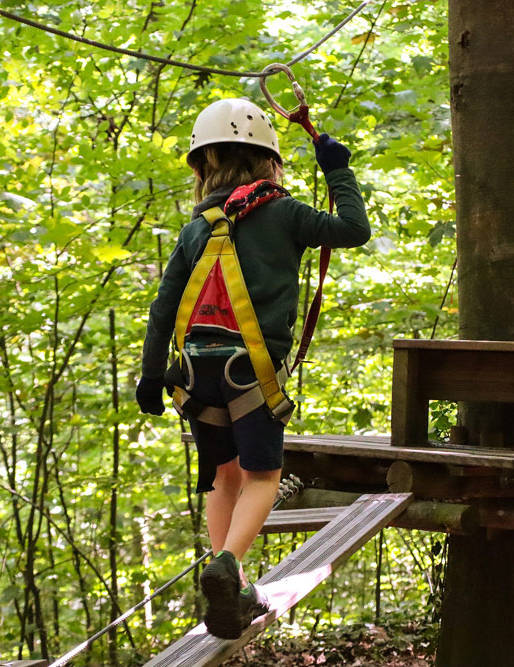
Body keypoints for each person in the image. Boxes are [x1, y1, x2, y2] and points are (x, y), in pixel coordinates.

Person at [135, 98, 369, 639]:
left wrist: (151, 374)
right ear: (269, 160)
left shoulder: (197, 229)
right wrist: (337, 168)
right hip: (252, 371)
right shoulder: (285, 213)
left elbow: (164, 306)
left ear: (203, 166)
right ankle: (226, 569)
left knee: (224, 476)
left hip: (194, 374)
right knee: (264, 477)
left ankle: (232, 588)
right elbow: (353, 229)